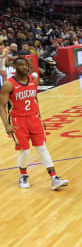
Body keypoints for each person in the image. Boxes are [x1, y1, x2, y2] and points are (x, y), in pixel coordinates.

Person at [0, 57, 69, 190]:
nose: (24, 67)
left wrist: (41, 118)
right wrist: (6, 125)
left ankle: (54, 178)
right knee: (25, 152)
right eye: (21, 65)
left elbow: (34, 100)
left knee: (42, 148)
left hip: (34, 118)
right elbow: (2, 106)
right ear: (14, 67)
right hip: (18, 121)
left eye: (26, 65)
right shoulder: (8, 85)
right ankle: (23, 175)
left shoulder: (33, 80)